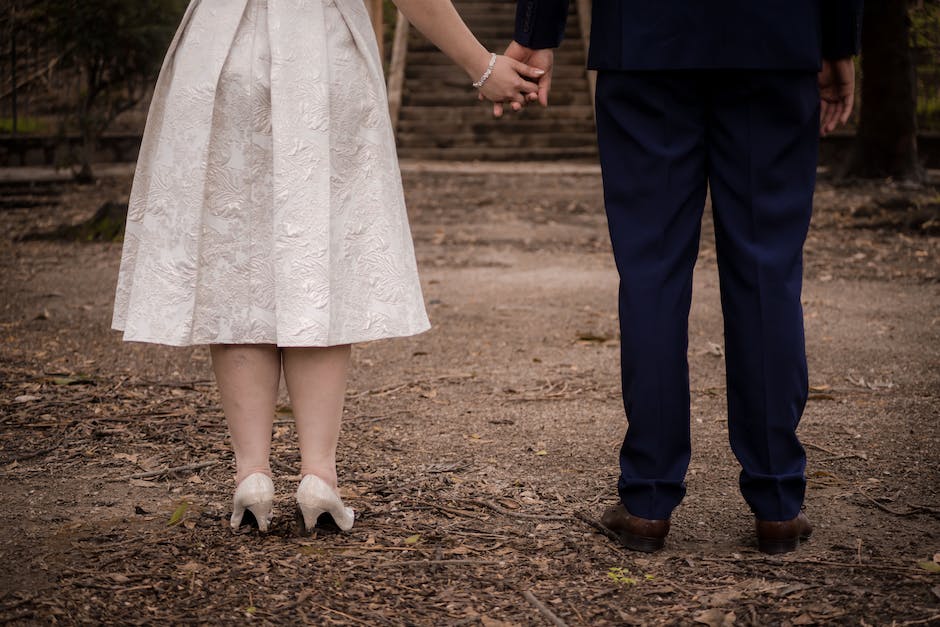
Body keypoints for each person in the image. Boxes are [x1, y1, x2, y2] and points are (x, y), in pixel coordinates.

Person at [112, 0, 546, 534]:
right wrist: (481, 65)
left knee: (239, 267)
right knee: (317, 255)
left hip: (220, 51)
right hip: (320, 51)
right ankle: (318, 474)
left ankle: (252, 474)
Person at [506, 0, 862, 553]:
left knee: (651, 271)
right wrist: (838, 41)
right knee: (768, 271)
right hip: (776, 35)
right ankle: (777, 500)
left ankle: (648, 498)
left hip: (646, 38)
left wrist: (536, 30)